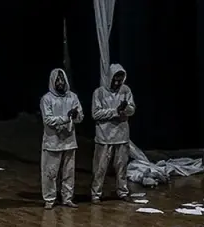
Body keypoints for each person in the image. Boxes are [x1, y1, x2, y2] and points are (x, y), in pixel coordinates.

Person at [90, 64, 135, 203]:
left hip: (121, 135)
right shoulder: (99, 92)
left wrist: (125, 109)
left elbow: (132, 109)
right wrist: (115, 111)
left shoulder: (126, 90)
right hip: (104, 136)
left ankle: (122, 191)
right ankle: (96, 193)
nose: (117, 83)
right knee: (100, 168)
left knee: (122, 167)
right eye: (115, 80)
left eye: (120, 80)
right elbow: (96, 113)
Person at [40, 68, 83, 209]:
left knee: (69, 172)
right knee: (50, 172)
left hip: (69, 141)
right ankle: (49, 199)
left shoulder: (73, 97)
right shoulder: (47, 99)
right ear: (52, 81)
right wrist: (66, 118)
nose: (60, 82)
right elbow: (48, 119)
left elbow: (80, 117)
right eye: (57, 80)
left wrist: (76, 116)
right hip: (53, 142)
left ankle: (67, 198)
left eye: (62, 79)